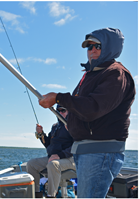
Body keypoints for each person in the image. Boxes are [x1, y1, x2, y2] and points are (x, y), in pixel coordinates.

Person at [38, 27, 136, 198]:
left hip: (100, 152)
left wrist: (58, 98)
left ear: (110, 47)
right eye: (88, 47)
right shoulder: (91, 75)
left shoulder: (116, 74)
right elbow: (82, 109)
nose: (92, 51)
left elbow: (93, 108)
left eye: (97, 46)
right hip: (84, 151)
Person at [27, 105, 76, 198]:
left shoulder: (74, 125)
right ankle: (36, 194)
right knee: (31, 164)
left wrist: (60, 155)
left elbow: (77, 145)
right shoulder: (55, 126)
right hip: (54, 158)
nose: (60, 113)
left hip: (71, 159)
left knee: (53, 164)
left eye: (63, 110)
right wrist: (41, 133)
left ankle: (51, 195)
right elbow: (48, 144)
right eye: (58, 111)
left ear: (69, 111)